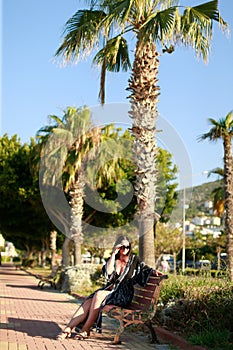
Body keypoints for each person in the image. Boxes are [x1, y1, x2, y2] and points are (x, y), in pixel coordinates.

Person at [56, 235, 163, 341]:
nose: (125, 249)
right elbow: (108, 273)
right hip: (110, 292)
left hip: (124, 295)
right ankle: (67, 329)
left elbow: (146, 269)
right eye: (122, 247)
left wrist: (154, 272)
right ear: (117, 247)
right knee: (88, 302)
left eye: (127, 247)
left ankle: (86, 328)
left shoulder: (134, 260)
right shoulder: (113, 260)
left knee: (98, 295)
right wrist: (113, 254)